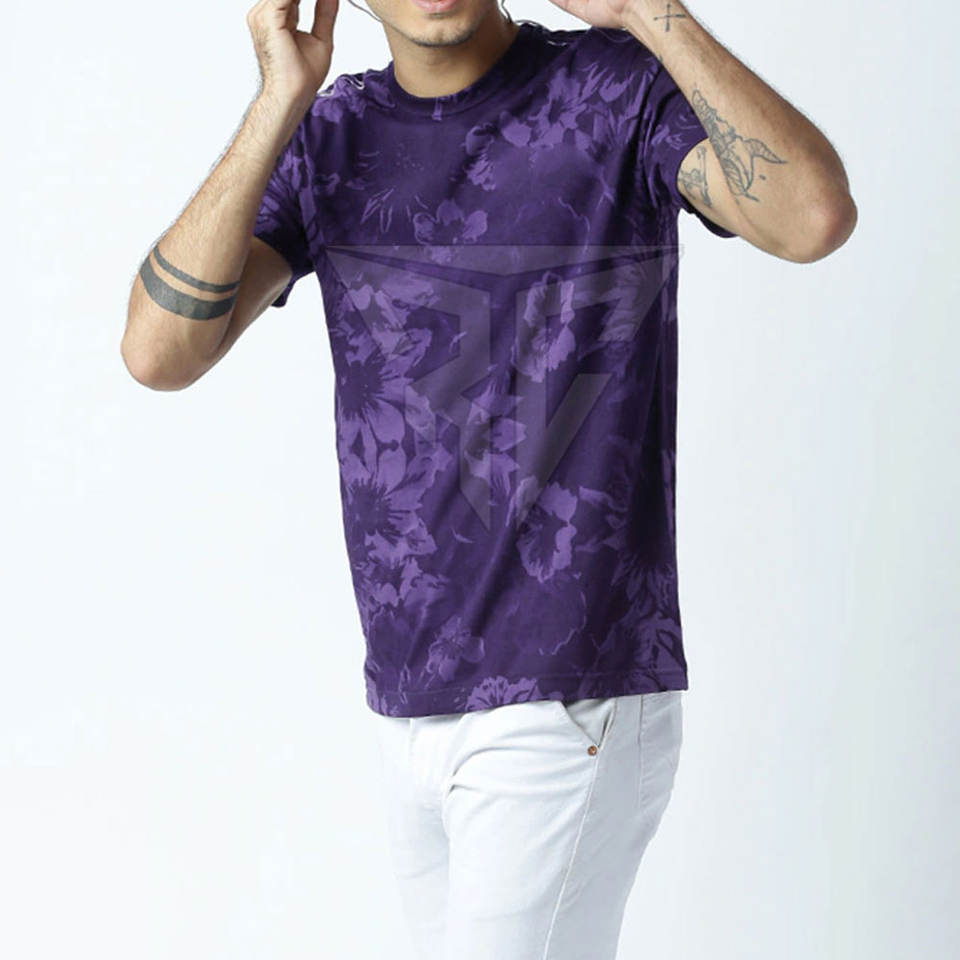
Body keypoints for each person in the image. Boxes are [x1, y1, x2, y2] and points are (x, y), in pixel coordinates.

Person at [120, 0, 857, 956]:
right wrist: (277, 101)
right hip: (409, 704)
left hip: (567, 689)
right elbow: (158, 353)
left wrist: (649, 12)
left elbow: (812, 219)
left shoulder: (613, 89)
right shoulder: (328, 137)